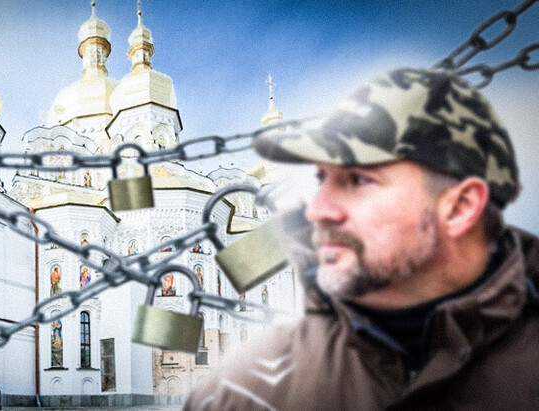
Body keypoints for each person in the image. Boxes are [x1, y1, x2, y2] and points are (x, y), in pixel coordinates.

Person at [184, 68, 539, 409]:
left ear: (459, 207)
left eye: (358, 180)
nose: (317, 211)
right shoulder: (242, 388)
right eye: (321, 178)